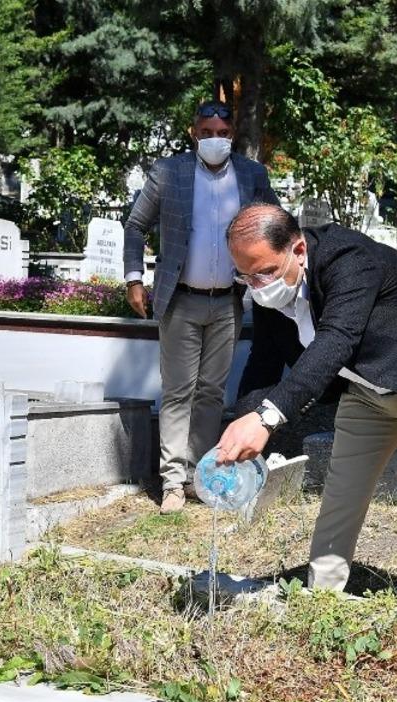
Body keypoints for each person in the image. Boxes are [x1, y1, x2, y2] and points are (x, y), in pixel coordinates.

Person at [216, 203, 397, 607]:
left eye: (266, 272)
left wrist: (268, 418)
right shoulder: (269, 290)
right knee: (342, 492)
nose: (256, 286)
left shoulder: (349, 259)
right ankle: (321, 600)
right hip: (369, 390)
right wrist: (240, 425)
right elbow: (263, 361)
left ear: (299, 250)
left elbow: (336, 340)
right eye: (246, 276)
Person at [123, 101, 279, 513]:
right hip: (180, 299)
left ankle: (199, 477)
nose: (215, 140)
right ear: (194, 133)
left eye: (223, 134)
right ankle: (172, 482)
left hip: (227, 301)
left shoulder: (251, 175)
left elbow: (276, 224)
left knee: (211, 392)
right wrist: (134, 277)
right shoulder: (169, 173)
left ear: (233, 137)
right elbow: (136, 224)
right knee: (177, 392)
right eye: (207, 132)